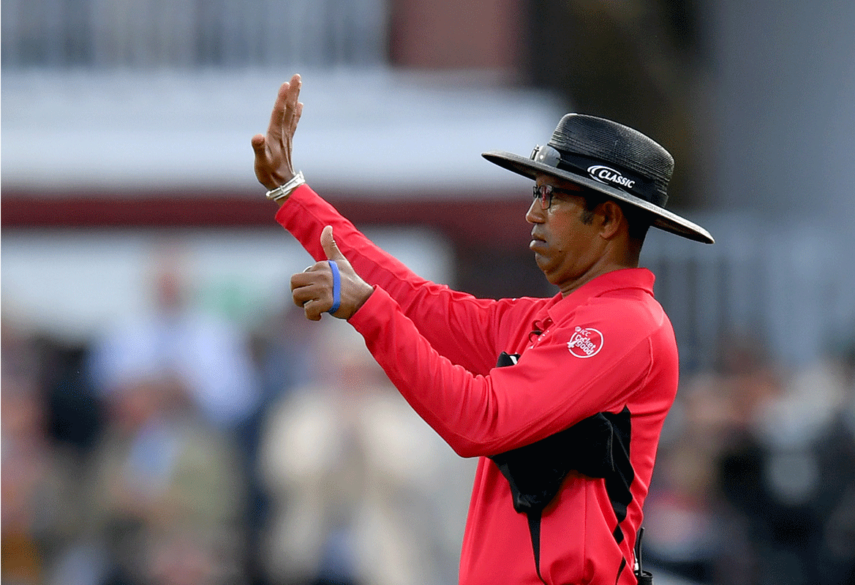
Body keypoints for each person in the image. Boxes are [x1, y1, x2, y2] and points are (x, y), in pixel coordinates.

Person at [251, 73, 714, 585]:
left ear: (606, 219)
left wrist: (369, 312)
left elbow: (480, 419)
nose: (531, 213)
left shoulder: (627, 325)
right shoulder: (549, 319)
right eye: (537, 193)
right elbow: (411, 299)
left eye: (552, 197)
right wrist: (291, 194)